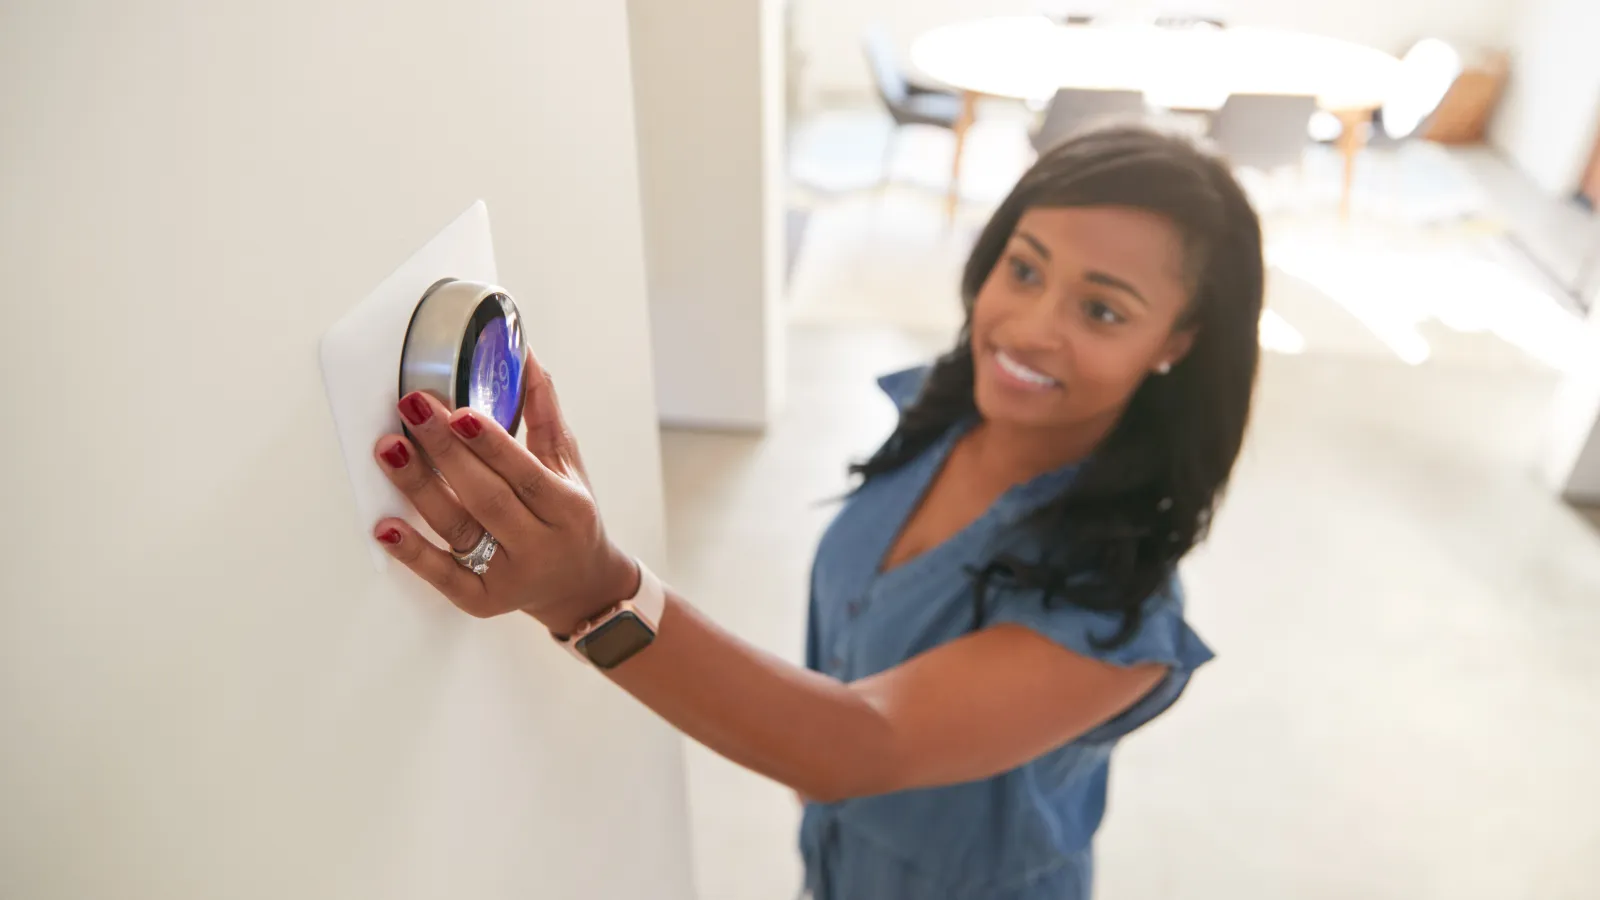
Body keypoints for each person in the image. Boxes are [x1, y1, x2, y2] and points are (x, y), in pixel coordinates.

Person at [369, 123, 1264, 899]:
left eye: (1102, 309)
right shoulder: (939, 421)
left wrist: (590, 590)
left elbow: (856, 747)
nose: (1029, 326)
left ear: (1176, 345)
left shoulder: (1117, 616)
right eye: (1024, 269)